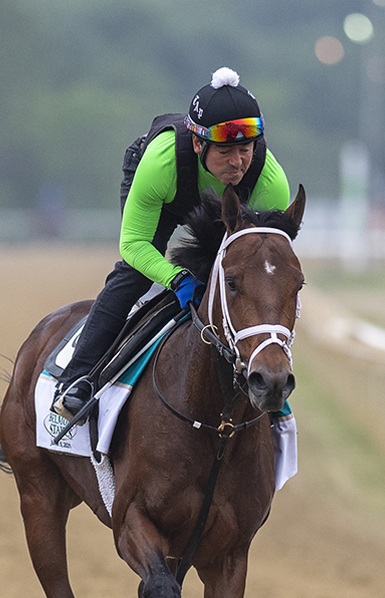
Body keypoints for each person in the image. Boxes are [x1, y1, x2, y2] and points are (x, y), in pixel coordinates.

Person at [51, 67, 291, 421]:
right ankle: (78, 379)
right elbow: (133, 245)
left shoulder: (269, 182)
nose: (238, 162)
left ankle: (264, 384)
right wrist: (177, 278)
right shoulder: (160, 164)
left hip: (227, 206)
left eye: (246, 149)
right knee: (134, 275)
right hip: (168, 193)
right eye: (225, 152)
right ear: (198, 143)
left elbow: (266, 270)